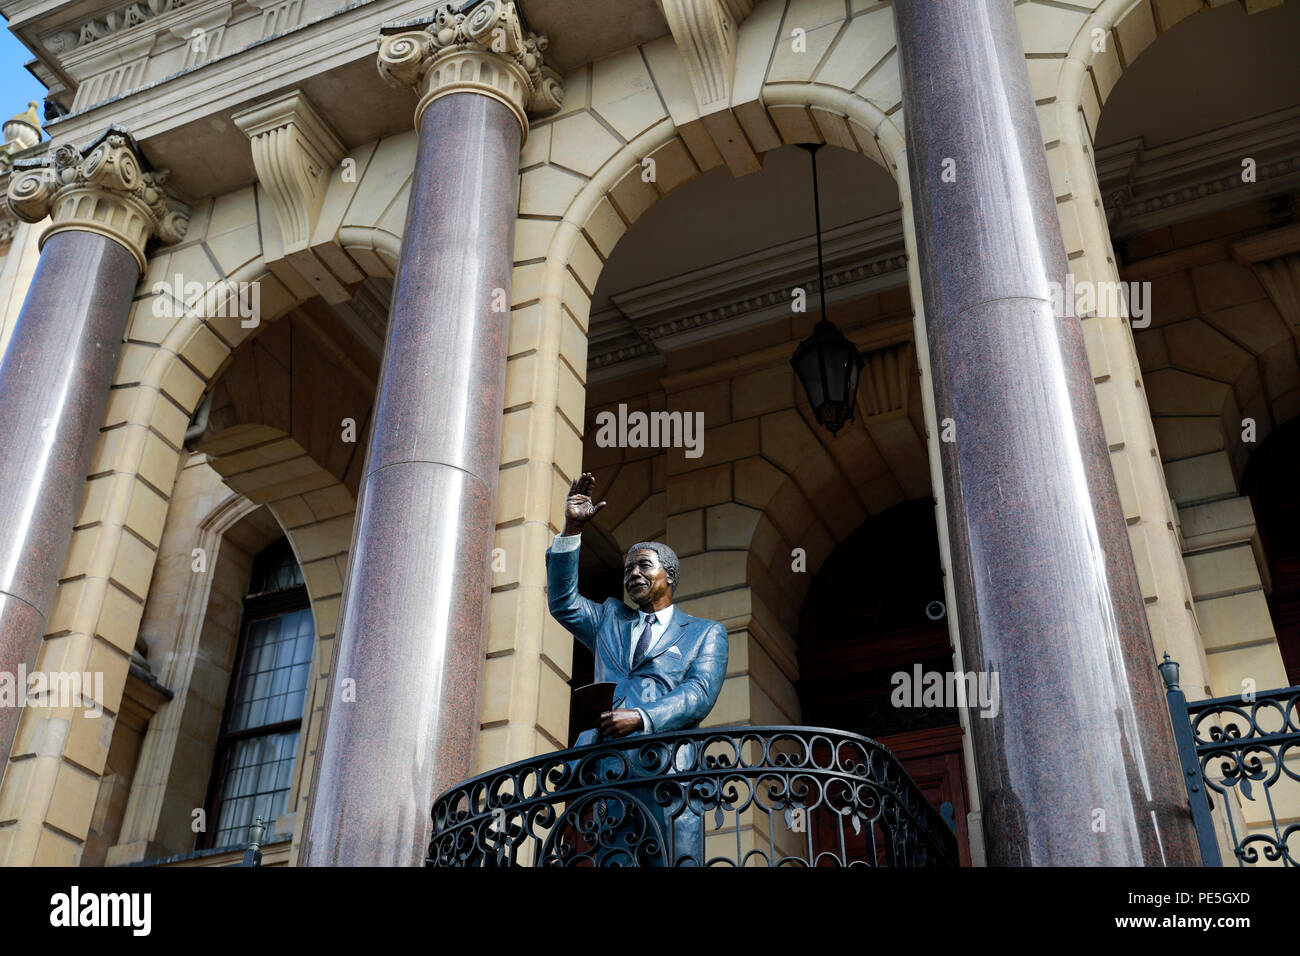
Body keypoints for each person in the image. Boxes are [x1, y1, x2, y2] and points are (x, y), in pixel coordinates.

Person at [545, 472, 728, 864]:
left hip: (670, 772)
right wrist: (573, 528)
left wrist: (642, 717)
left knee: (672, 860)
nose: (634, 574)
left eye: (644, 566)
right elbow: (562, 602)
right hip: (609, 771)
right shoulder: (609, 618)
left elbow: (698, 693)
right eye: (628, 569)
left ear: (670, 576)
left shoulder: (705, 633)